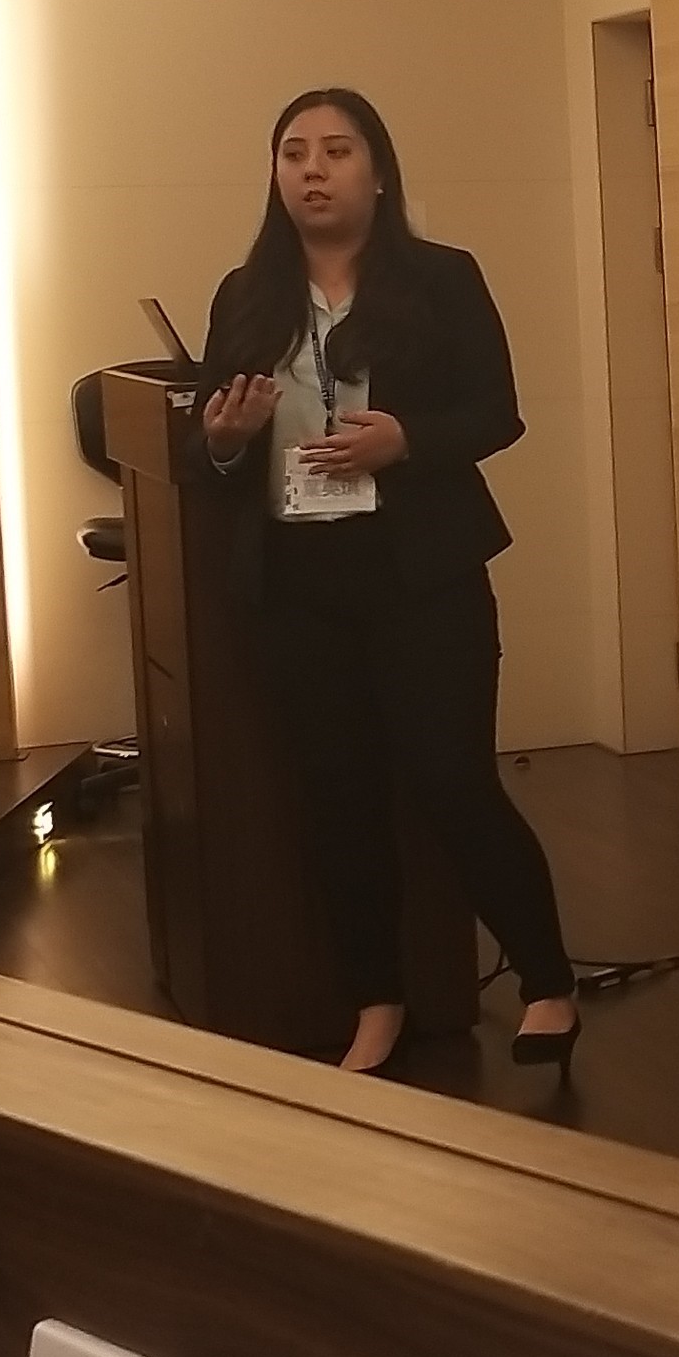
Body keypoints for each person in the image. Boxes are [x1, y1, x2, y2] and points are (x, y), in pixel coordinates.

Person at [193, 87, 580, 1076]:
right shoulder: (245, 294)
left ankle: (548, 981)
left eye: (335, 151)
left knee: (453, 780)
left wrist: (407, 440)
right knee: (338, 796)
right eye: (293, 153)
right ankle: (378, 1000)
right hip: (297, 584)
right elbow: (210, 446)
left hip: (419, 574)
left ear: (377, 172)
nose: (312, 171)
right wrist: (226, 439)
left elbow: (497, 412)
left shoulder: (443, 278)